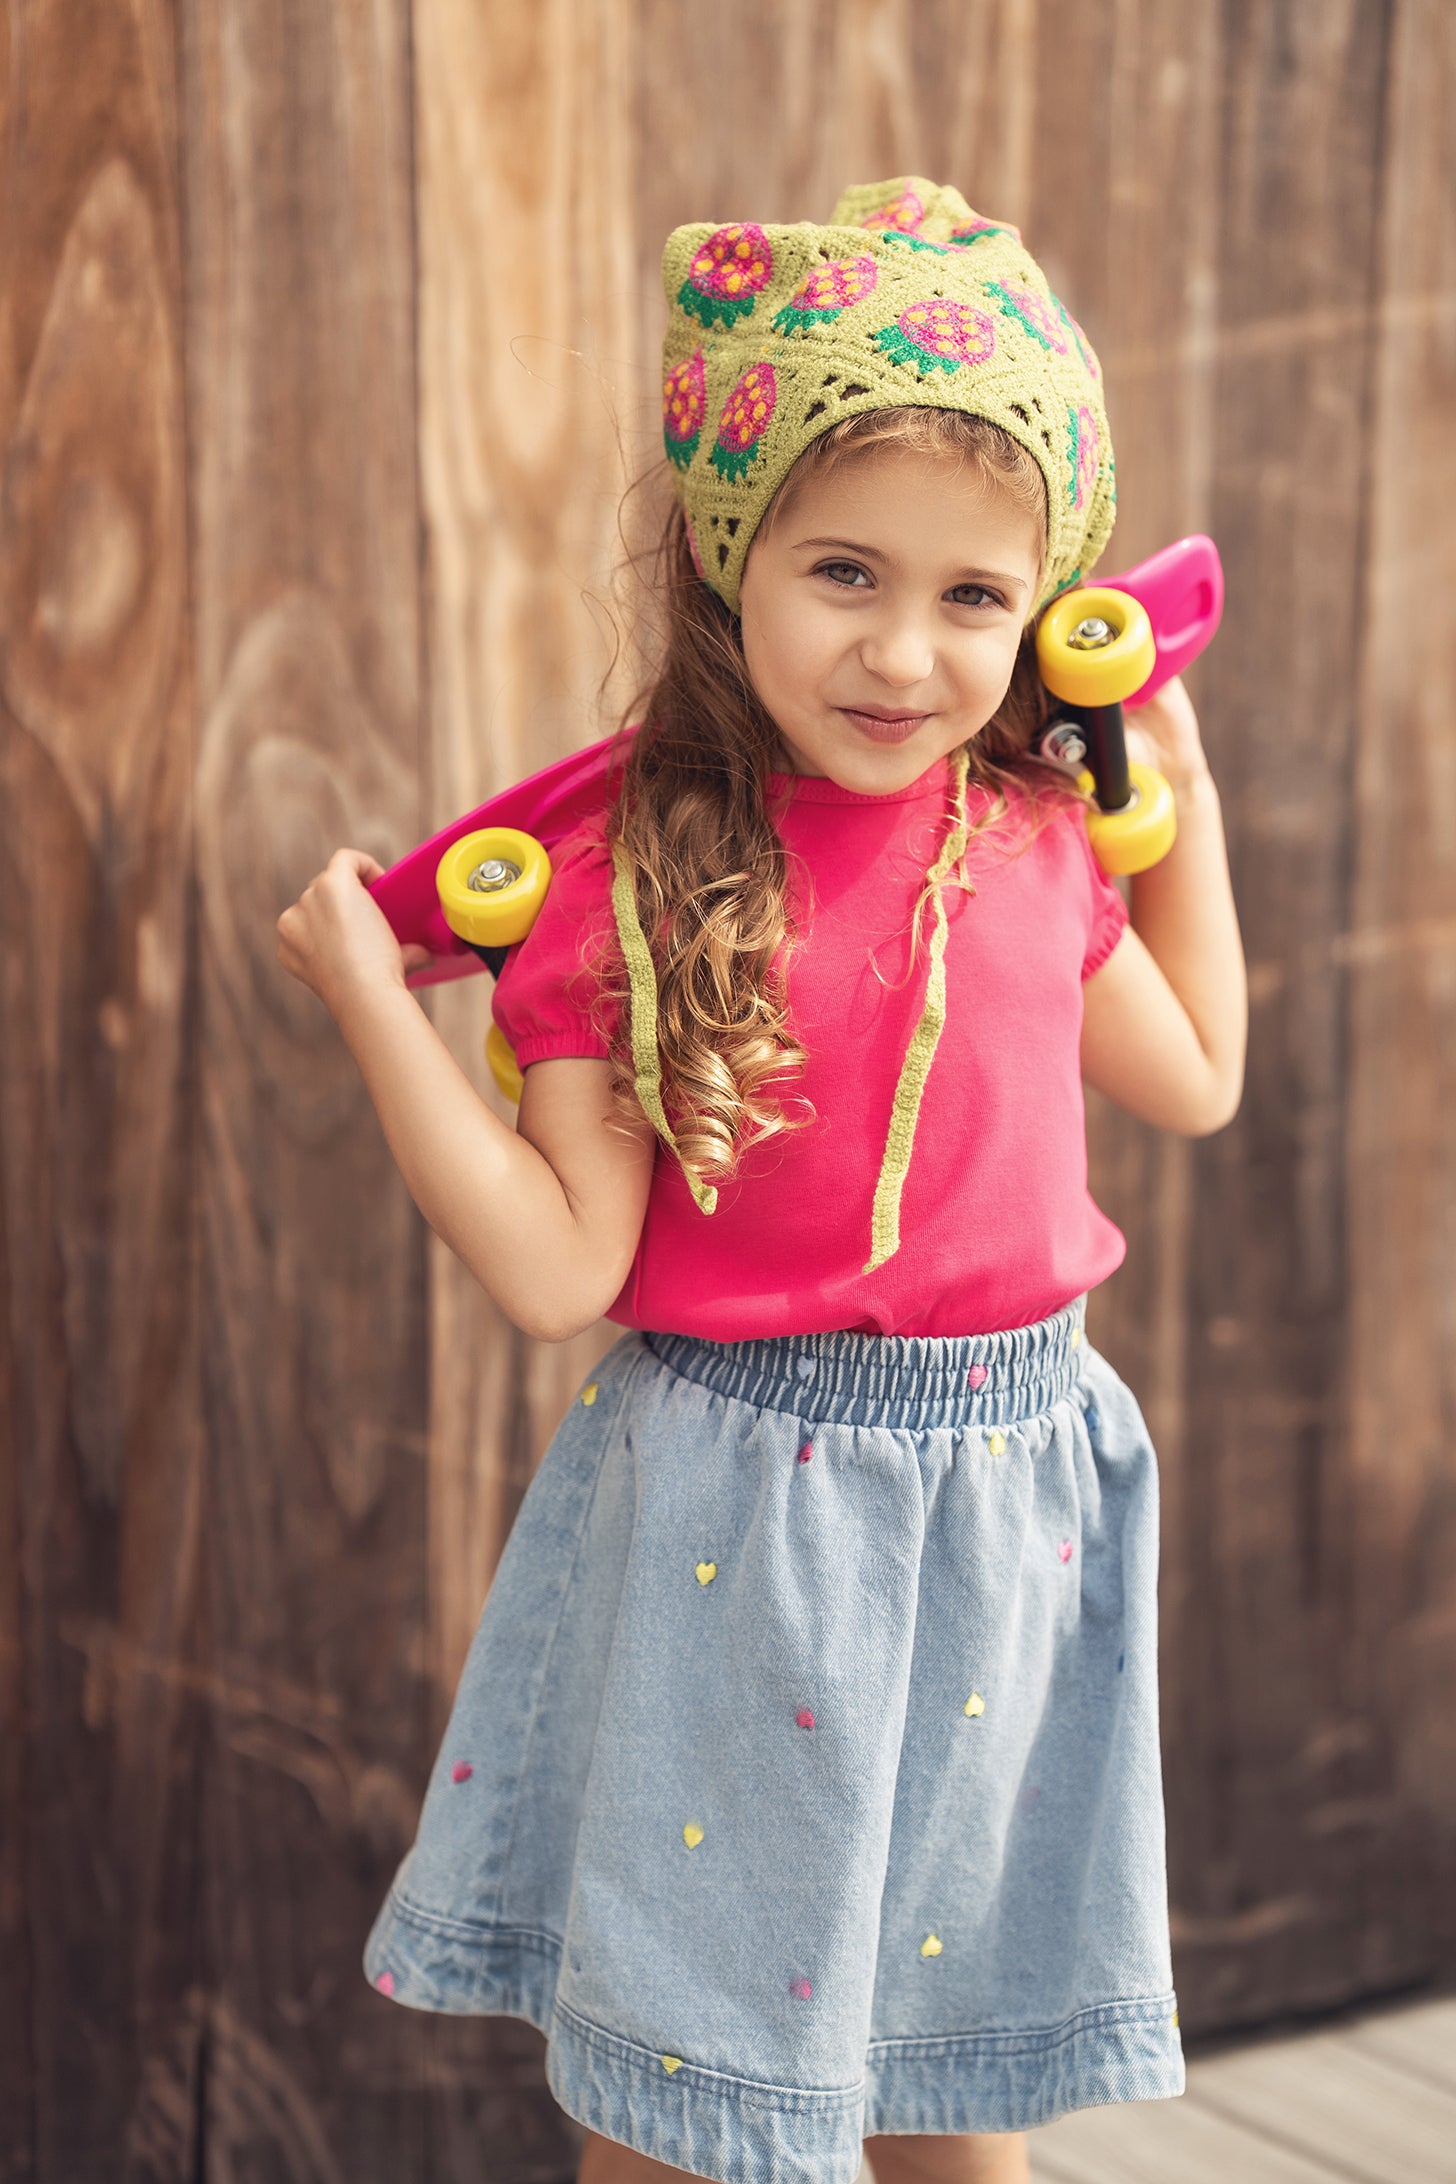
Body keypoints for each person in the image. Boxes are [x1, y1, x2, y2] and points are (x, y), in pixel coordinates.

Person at [276, 175, 1247, 2184]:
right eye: (843, 574)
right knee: (677, 2106)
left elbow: (1199, 1076)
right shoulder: (626, 883)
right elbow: (561, 1272)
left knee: (941, 2088)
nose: (904, 654)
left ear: (1040, 603)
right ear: (734, 564)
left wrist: (1178, 803)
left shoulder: (1042, 844)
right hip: (747, 1532)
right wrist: (378, 1004)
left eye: (974, 598)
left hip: (1010, 1522)